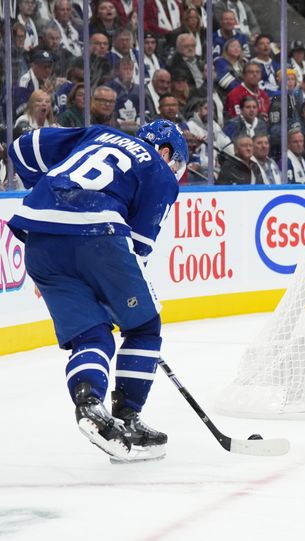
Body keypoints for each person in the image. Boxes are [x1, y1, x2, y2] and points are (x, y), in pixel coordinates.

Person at [6, 119, 188, 462]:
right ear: (165, 152)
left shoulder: (98, 134)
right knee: (143, 327)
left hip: (39, 239)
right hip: (99, 235)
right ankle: (127, 418)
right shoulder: (160, 173)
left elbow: (21, 148)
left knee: (92, 337)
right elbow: (137, 248)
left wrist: (49, 195)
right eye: (176, 161)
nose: (175, 171)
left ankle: (90, 404)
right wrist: (121, 302)